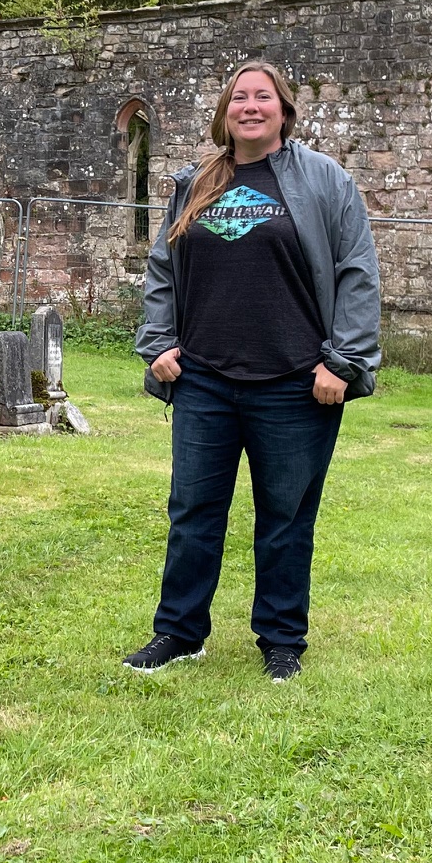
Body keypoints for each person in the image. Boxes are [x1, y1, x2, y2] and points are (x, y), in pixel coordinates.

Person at [125, 60, 381, 682]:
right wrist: (157, 342)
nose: (250, 107)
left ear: (284, 111)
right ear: (224, 112)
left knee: (286, 516)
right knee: (192, 512)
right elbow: (162, 270)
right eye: (239, 98)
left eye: (263, 97)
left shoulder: (326, 182)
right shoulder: (195, 184)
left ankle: (282, 639)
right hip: (204, 378)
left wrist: (342, 363)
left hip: (296, 382)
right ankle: (180, 633)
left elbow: (357, 272)